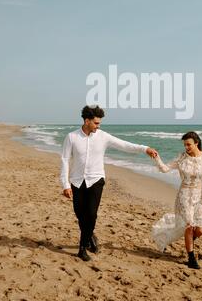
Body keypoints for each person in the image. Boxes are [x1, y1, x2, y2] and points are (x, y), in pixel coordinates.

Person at [60, 105, 158, 261]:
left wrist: (145, 149)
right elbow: (65, 160)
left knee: (91, 215)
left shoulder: (103, 136)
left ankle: (82, 248)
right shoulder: (72, 137)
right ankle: (90, 236)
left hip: (96, 180)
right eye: (96, 123)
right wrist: (65, 184)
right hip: (77, 181)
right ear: (87, 121)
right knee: (80, 215)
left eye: (99, 123)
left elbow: (125, 145)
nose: (98, 126)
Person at [151, 131, 202, 269]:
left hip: (199, 196)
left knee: (200, 230)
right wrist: (157, 158)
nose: (186, 147)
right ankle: (191, 258)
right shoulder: (182, 158)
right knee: (189, 226)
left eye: (189, 144)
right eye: (185, 145)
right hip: (184, 196)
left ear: (196, 143)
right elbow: (164, 169)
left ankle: (188, 242)